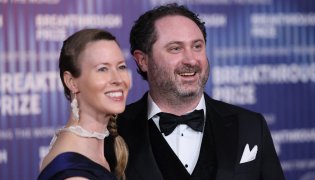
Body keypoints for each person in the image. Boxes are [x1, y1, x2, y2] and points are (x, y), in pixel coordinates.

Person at [105, 3, 285, 180]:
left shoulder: (251, 125)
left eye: (197, 46)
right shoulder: (113, 132)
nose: (191, 60)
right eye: (176, 48)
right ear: (142, 60)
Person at [38, 29, 131, 180]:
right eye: (102, 69)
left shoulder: (104, 145)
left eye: (121, 67)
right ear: (72, 82)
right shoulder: (74, 173)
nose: (118, 79)